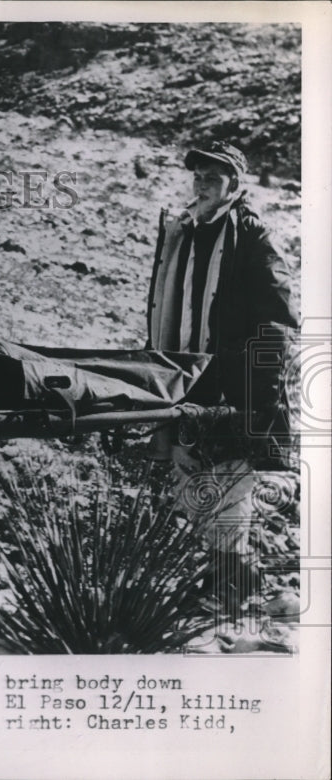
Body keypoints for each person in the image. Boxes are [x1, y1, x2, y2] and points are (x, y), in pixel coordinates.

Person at [146, 141, 299, 617]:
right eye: (199, 176)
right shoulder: (185, 232)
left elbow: (275, 322)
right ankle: (231, 581)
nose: (203, 183)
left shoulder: (253, 236)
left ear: (235, 183)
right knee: (192, 473)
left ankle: (235, 590)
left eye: (214, 176)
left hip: (234, 381)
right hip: (186, 374)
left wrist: (258, 394)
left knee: (230, 480)